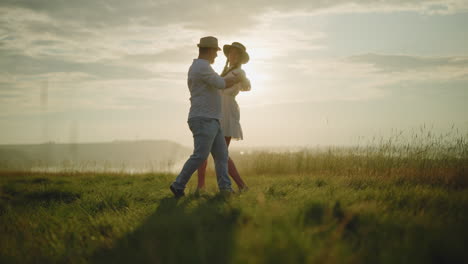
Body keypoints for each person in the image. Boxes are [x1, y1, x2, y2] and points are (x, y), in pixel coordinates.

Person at [170, 36, 241, 198]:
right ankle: (178, 185)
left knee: (222, 157)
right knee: (200, 155)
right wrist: (237, 77)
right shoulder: (202, 67)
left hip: (212, 119)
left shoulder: (201, 67)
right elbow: (221, 84)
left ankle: (226, 189)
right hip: (203, 119)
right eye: (215, 52)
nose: (216, 55)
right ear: (209, 51)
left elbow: (219, 82)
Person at [196, 42, 250, 192]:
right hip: (217, 109)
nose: (232, 55)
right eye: (231, 53)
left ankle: (240, 186)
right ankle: (201, 186)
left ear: (240, 58)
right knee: (210, 152)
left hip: (226, 111)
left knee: (220, 153)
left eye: (236, 54)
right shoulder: (226, 70)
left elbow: (242, 86)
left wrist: (244, 82)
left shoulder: (239, 72)